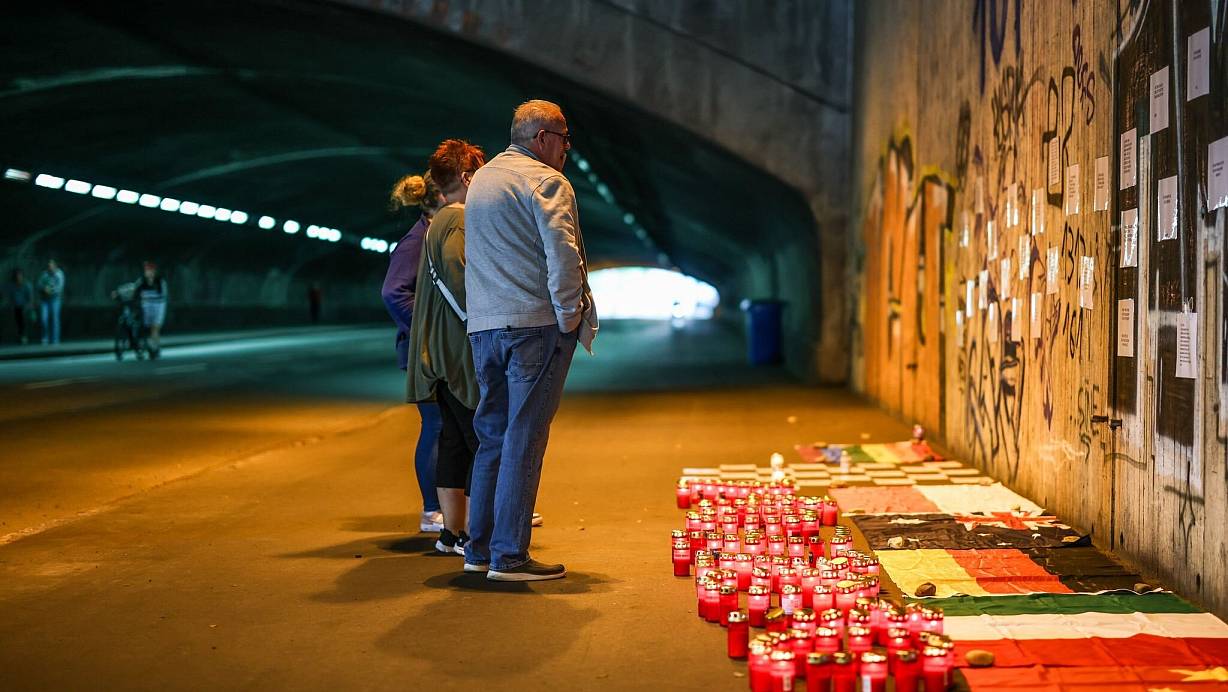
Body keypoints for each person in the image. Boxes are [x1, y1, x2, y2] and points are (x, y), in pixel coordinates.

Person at [462, 100, 598, 581]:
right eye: (564, 139)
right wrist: (569, 315)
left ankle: (478, 550)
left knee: (493, 438)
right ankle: (510, 556)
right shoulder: (546, 181)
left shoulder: (482, 181)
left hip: (485, 327)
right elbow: (563, 254)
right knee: (525, 438)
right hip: (534, 326)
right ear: (542, 138)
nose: (566, 149)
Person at [405, 140, 486, 555]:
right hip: (457, 353)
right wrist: (485, 324)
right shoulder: (458, 220)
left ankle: (452, 533)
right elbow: (459, 280)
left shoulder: (438, 220)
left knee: (454, 442)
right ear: (468, 177)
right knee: (481, 442)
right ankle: (477, 534)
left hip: (437, 352)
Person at [382, 171, 446, 533]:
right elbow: (393, 292)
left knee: (451, 427)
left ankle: (456, 506)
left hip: (434, 348)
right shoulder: (417, 240)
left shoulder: (438, 233)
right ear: (442, 197)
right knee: (436, 425)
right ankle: (432, 510)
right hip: (423, 351)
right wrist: (427, 329)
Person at [131, 261, 168, 357]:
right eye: (147, 271)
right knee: (144, 326)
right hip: (146, 306)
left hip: (158, 306)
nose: (149, 273)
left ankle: (155, 347)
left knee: (155, 327)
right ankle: (146, 345)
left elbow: (164, 295)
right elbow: (134, 290)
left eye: (151, 271)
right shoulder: (141, 281)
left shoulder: (160, 281)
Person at [36, 259, 64, 344]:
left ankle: (55, 339)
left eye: (51, 266)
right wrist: (44, 289)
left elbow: (60, 288)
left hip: (55, 299)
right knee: (43, 318)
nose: (49, 268)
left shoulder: (59, 274)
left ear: (55, 266)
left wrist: (51, 291)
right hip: (45, 300)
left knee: (55, 319)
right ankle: (45, 338)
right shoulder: (44, 274)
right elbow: (39, 285)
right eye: (48, 267)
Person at [8, 269, 33, 344]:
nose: (18, 278)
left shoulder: (26, 285)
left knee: (24, 322)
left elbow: (30, 297)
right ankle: (21, 336)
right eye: (17, 276)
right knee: (18, 322)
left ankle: (24, 336)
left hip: (25, 307)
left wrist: (29, 306)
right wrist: (12, 305)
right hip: (17, 306)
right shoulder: (13, 286)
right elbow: (11, 297)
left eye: (19, 276)